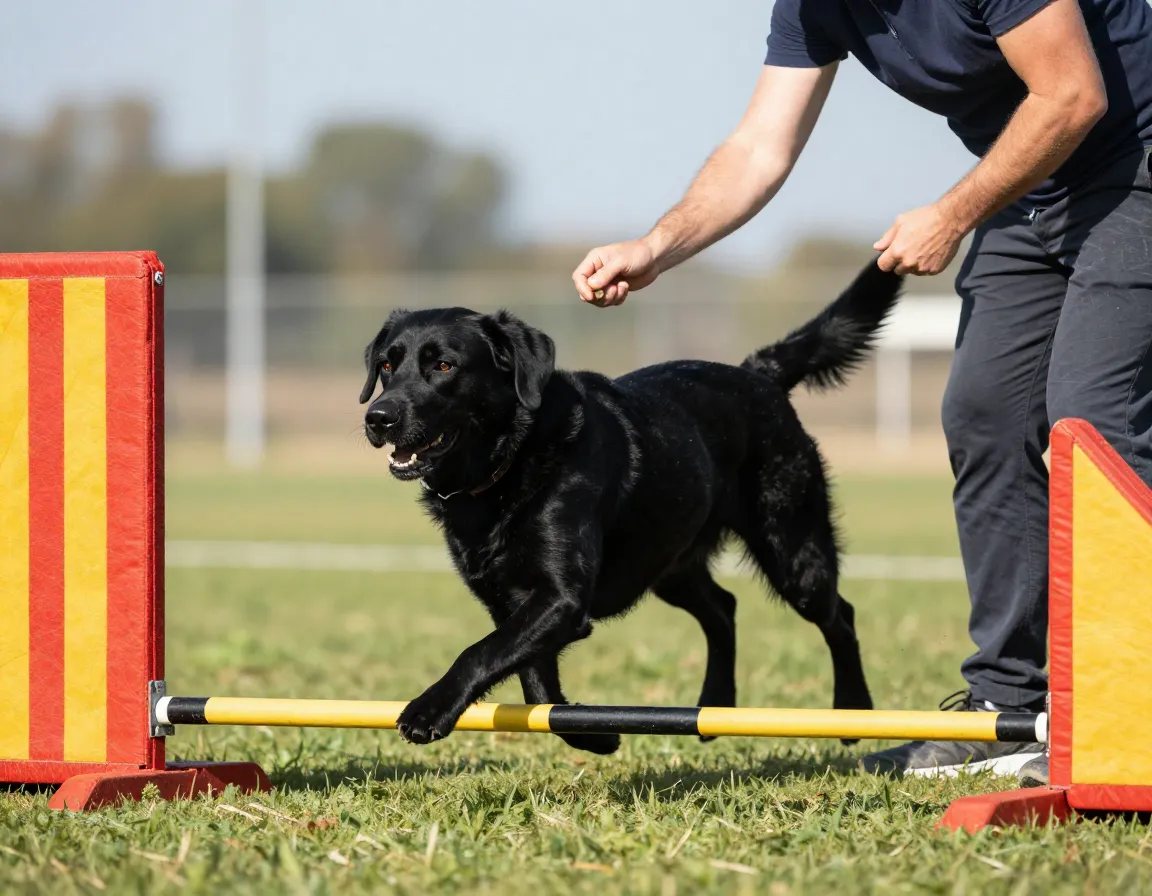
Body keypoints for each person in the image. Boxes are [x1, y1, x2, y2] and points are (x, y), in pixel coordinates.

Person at [572, 0, 1152, 784]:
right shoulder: (811, 8)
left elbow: (1073, 96)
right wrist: (656, 246)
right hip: (1039, 192)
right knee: (985, 413)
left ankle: (1133, 704)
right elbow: (757, 147)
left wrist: (950, 214)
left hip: (1135, 165)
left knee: (1094, 420)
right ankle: (1010, 708)